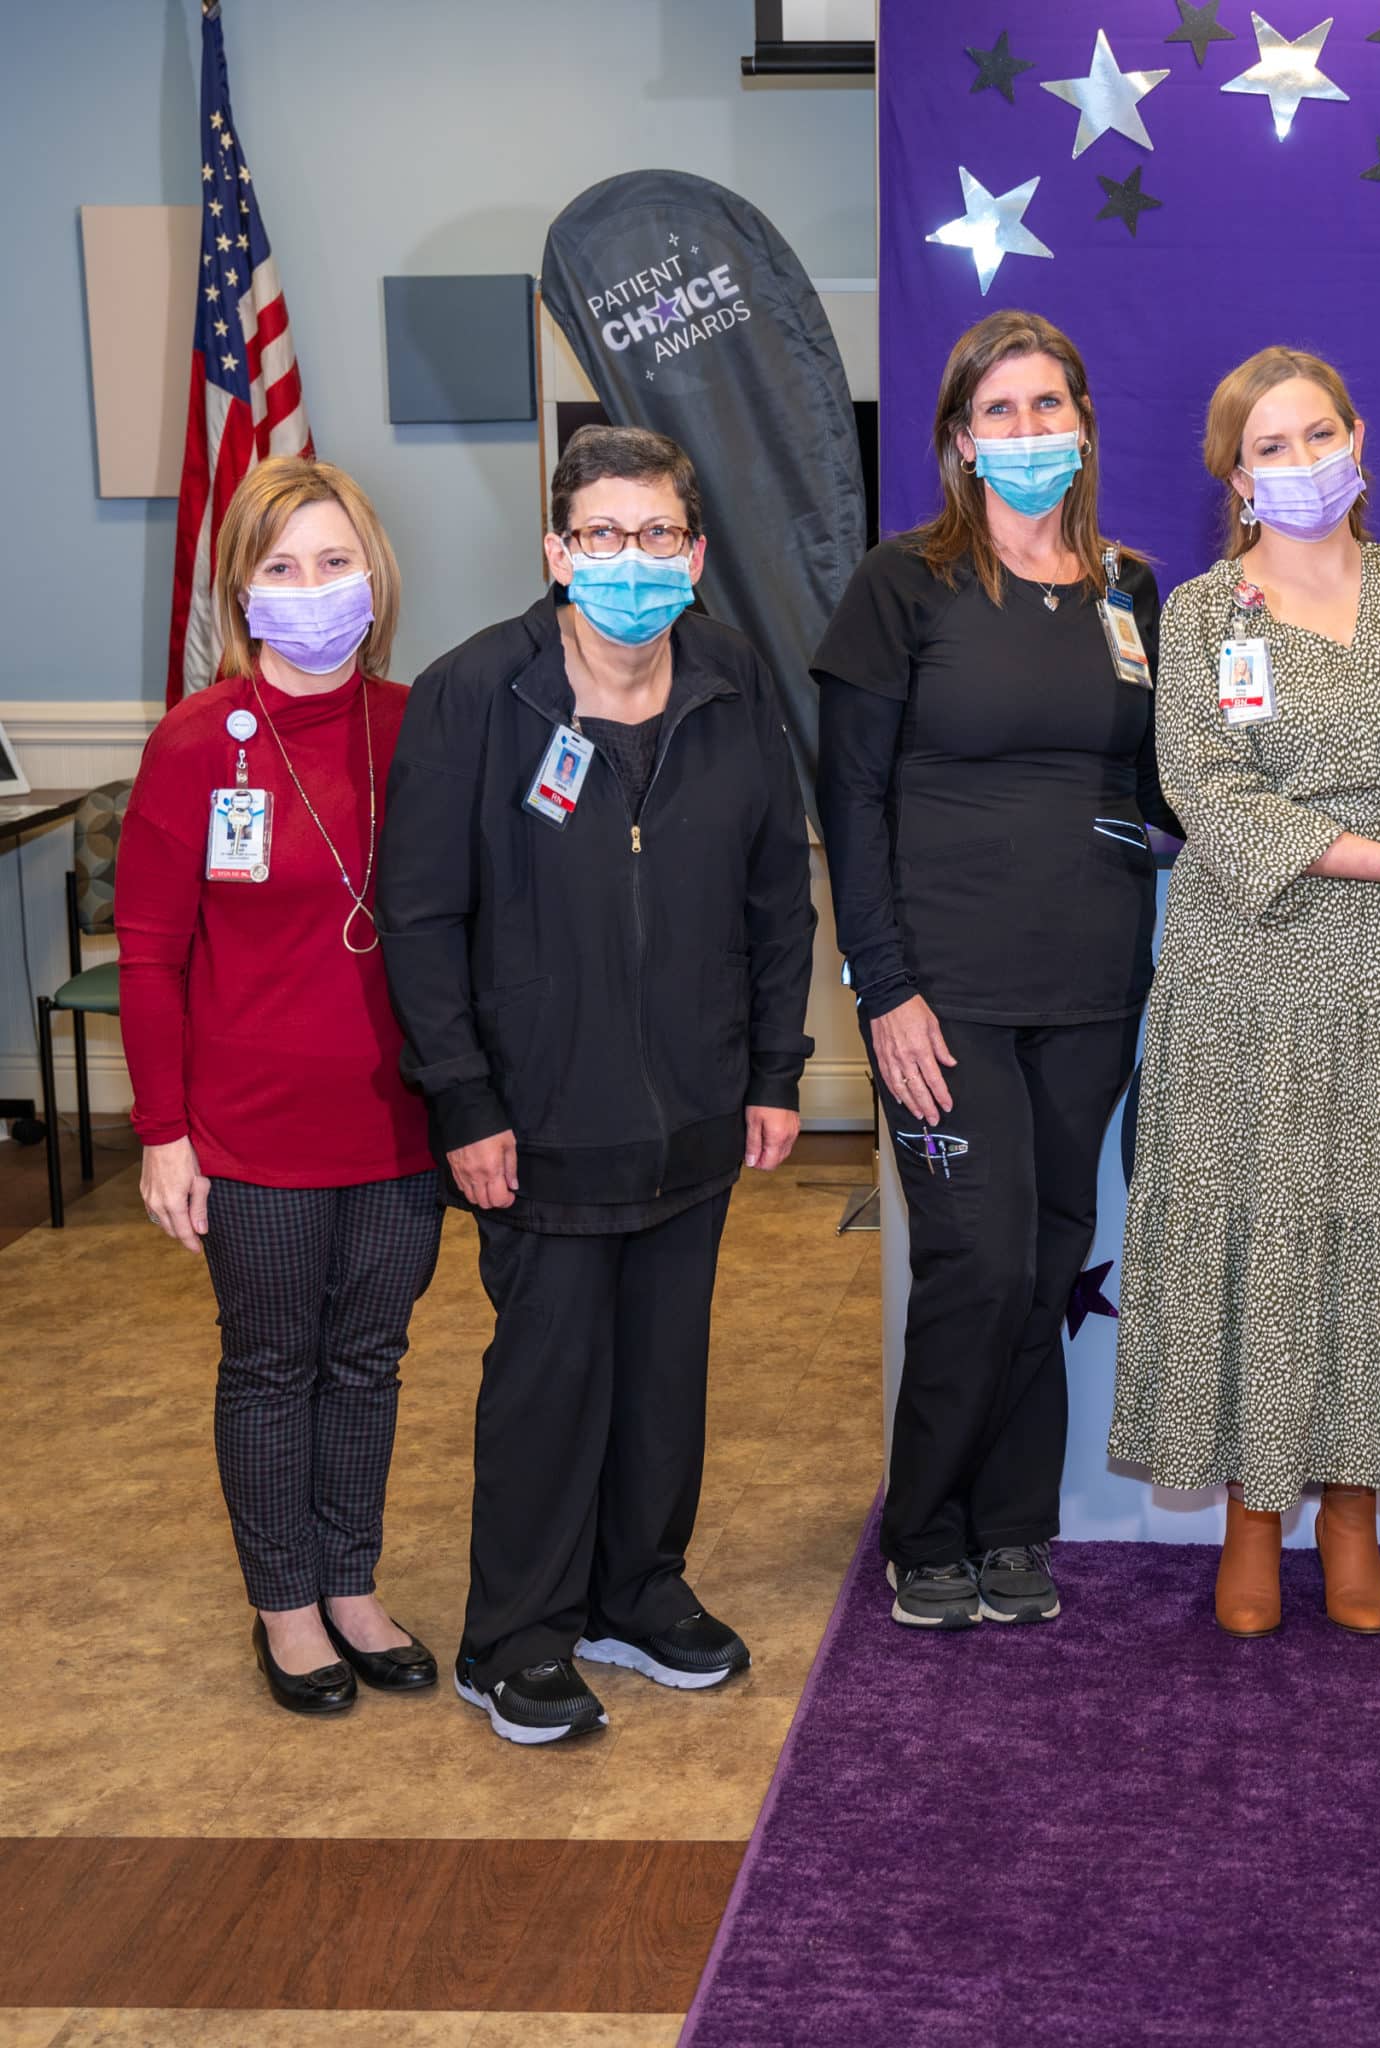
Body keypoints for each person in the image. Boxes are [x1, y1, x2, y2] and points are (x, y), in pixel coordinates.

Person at [379, 426, 815, 1745]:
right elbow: (419, 915)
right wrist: (463, 1098)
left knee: (663, 1371)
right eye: (605, 536)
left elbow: (777, 895)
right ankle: (514, 1634)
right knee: (549, 1380)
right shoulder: (476, 694)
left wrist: (775, 1069)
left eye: (660, 536)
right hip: (537, 1114)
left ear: (694, 550)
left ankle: (637, 1590)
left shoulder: (735, 682)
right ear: (560, 552)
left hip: (692, 1101)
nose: (634, 560)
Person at [1108, 346, 1380, 1638]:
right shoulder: (1196, 615)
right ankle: (1250, 1510)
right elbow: (1206, 793)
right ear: (1235, 477)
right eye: (1268, 448)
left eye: (1316, 435)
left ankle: (1350, 1509)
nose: (1299, 466)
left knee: (1376, 1228)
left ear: (1360, 438)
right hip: (1247, 964)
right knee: (1252, 1229)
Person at [813, 311, 1172, 1632]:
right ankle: (928, 1526)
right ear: (962, 439)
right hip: (942, 995)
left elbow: (1166, 788)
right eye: (1001, 412)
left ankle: (1014, 1526)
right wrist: (883, 989)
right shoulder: (901, 588)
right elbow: (849, 807)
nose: (1030, 433)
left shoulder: (1130, 592)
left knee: (1052, 1251)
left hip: (1091, 986)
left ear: (1083, 422)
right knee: (980, 1263)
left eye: (1049, 406)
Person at [118, 458, 442, 1717]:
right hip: (249, 1132)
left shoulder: (422, 724)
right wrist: (161, 1131)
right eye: (282, 566)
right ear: (242, 592)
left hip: (401, 1118)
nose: (313, 589)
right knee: (271, 1361)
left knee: (369, 1356)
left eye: (335, 561)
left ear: (374, 575)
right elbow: (148, 954)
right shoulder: (197, 744)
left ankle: (353, 1582)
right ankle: (287, 1603)